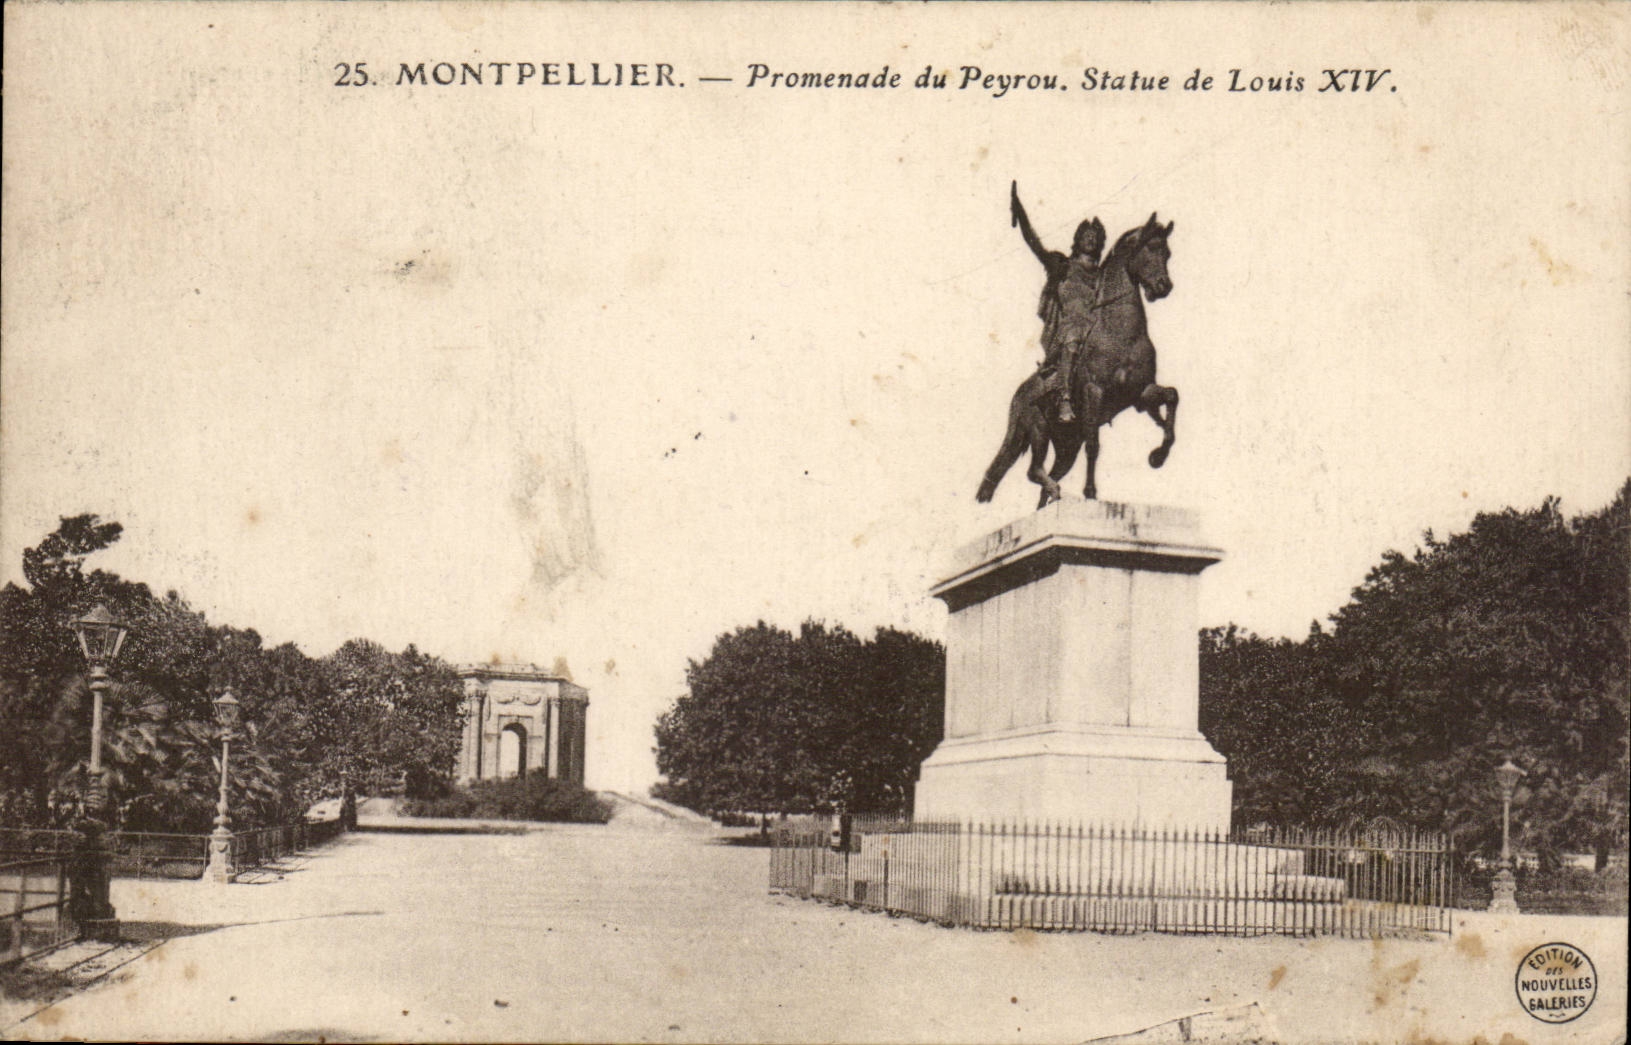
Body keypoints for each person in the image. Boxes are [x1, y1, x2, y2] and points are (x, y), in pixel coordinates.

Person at [1011, 182, 1105, 423]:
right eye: (1086, 236)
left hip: (1096, 325)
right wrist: (1019, 212)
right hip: (1070, 326)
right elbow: (1035, 244)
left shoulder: (1102, 273)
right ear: (1078, 239)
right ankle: (1064, 398)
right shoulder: (1062, 265)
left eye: (1095, 237)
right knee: (1073, 340)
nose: (1091, 240)